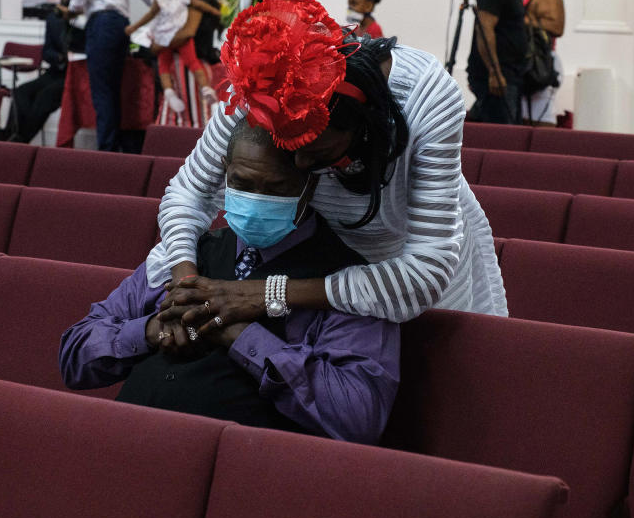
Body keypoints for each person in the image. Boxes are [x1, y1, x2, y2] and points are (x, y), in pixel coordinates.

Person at [144, 0, 506, 347]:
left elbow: (426, 271)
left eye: (317, 153)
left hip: (412, 278)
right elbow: (189, 192)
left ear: (361, 129)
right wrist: (185, 284)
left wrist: (262, 293)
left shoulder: (426, 97)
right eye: (289, 150)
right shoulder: (265, 85)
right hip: (318, 268)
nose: (301, 165)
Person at [60, 122, 400, 445]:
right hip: (122, 441)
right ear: (225, 171)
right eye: (242, 184)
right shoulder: (187, 251)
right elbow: (75, 356)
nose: (255, 200)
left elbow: (359, 417)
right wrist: (151, 331)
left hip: (241, 471)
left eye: (275, 189)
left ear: (308, 186)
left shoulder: (348, 283)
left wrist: (240, 335)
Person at [63, 0, 153, 153]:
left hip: (101, 24)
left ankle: (107, 151)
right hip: (121, 26)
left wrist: (73, 8)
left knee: (102, 91)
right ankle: (115, 148)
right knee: (114, 90)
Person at [125, 0, 221, 113]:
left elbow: (187, 33)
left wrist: (159, 44)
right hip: (178, 55)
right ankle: (172, 93)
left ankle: (200, 91)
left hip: (184, 65)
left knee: (191, 116)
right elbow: (153, 14)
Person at [467, 0, 540, 124]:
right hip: (498, 77)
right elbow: (485, 29)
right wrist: (494, 71)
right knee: (501, 134)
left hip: (510, 74)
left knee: (510, 130)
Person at [3, 0, 72, 143]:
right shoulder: (54, 21)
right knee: (21, 92)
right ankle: (10, 134)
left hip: (73, 76)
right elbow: (47, 52)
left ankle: (21, 139)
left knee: (44, 96)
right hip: (55, 71)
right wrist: (59, 57)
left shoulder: (85, 25)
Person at [521, 0, 565, 126]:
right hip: (533, 60)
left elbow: (556, 27)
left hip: (542, 62)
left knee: (542, 119)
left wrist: (521, 19)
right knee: (527, 118)